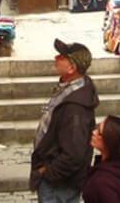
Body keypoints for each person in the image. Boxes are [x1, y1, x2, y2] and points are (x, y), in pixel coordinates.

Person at [30, 39, 99, 203]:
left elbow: (74, 154)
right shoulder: (68, 89)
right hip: (57, 180)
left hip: (59, 184)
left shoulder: (75, 109)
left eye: (61, 56)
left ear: (72, 68)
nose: (56, 58)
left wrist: (46, 173)